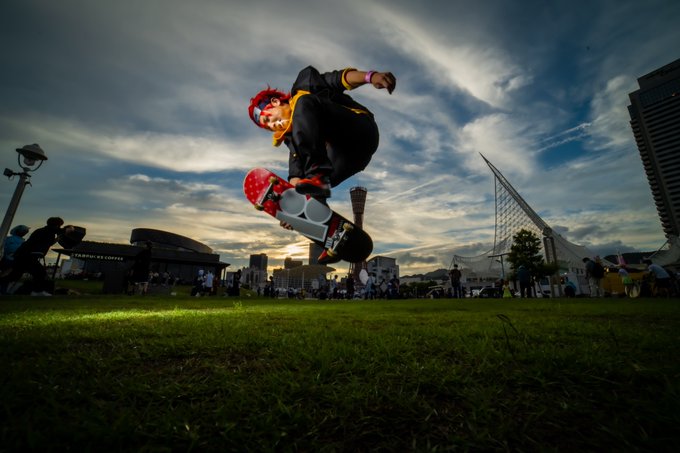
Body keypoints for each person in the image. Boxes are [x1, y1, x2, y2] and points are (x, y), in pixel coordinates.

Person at [248, 66, 396, 264]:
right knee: (303, 182)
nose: (271, 125)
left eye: (268, 118)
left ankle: (317, 182)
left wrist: (370, 77)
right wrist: (294, 213)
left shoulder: (305, 86)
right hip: (349, 159)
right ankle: (332, 238)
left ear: (275, 102)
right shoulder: (294, 142)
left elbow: (339, 79)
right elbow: (295, 178)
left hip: (360, 131)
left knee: (303, 104)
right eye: (266, 126)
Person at [0, 217, 68, 296]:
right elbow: (57, 232)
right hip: (28, 257)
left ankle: (37, 290)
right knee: (40, 273)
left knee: (15, 276)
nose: (59, 227)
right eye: (59, 225)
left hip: (23, 256)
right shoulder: (48, 232)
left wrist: (56, 239)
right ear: (56, 225)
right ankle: (38, 291)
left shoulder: (44, 231)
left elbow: (46, 243)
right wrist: (67, 230)